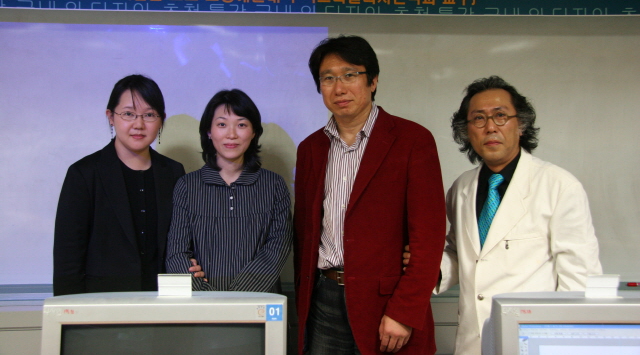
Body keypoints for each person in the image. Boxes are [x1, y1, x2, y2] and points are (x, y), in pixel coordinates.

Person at [294, 35, 446, 355]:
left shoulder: (412, 140)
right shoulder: (310, 148)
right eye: (328, 78)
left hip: (387, 305)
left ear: (373, 80)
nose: (339, 88)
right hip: (324, 302)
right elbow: (305, 236)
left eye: (350, 75)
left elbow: (429, 238)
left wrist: (404, 311)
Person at [434, 76, 602, 355]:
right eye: (478, 118)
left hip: (533, 341)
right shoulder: (461, 188)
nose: (490, 127)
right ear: (467, 130)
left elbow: (580, 280)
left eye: (500, 116)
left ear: (520, 124)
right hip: (472, 341)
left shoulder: (558, 185)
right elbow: (461, 252)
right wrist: (428, 267)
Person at [53, 74, 202, 296]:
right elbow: (68, 258)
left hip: (163, 300)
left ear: (161, 119)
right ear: (110, 117)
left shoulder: (173, 172)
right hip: (102, 302)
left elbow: (182, 240)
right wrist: (70, 310)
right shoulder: (84, 173)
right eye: (128, 114)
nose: (138, 124)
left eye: (149, 115)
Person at [165, 89, 292, 292]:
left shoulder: (273, 185)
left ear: (254, 132)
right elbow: (176, 253)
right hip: (202, 303)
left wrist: (237, 298)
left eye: (241, 125)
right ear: (209, 131)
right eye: (222, 124)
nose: (231, 134)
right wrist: (208, 298)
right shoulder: (187, 186)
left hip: (259, 301)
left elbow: (277, 248)